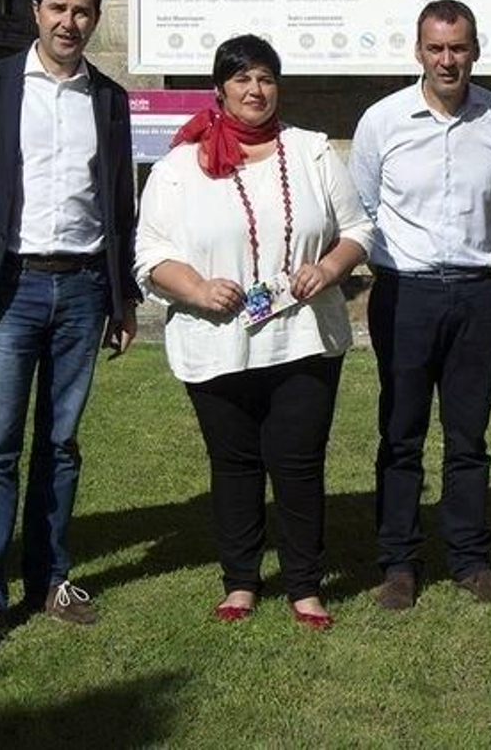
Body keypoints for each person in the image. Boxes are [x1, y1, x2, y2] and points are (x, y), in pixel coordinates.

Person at [0, 0, 140, 656]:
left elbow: (119, 207)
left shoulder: (108, 99)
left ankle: (51, 578)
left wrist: (122, 296)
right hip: (7, 290)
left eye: (82, 11)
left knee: (61, 444)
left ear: (95, 17)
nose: (68, 22)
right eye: (57, 7)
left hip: (82, 289)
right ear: (34, 10)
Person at [135, 35, 373, 630]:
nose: (255, 90)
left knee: (297, 463)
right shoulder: (180, 164)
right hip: (215, 336)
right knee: (235, 463)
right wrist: (195, 289)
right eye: (242, 79)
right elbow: (149, 254)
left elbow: (358, 229)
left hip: (303, 336)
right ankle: (240, 580)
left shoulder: (312, 151)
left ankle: (305, 585)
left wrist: (329, 267)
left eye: (265, 78)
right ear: (220, 89)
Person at [349, 0, 491, 610]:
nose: (448, 60)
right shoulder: (383, 120)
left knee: (469, 436)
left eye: (459, 48)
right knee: (401, 433)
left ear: (476, 49)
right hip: (406, 293)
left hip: (476, 293)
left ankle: (471, 562)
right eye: (436, 48)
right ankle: (398, 563)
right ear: (418, 50)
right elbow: (363, 207)